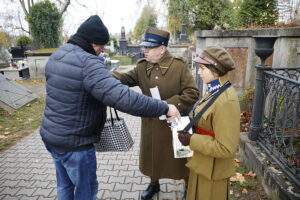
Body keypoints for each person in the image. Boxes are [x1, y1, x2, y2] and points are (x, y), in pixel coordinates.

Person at [40, 15, 181, 200]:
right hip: (76, 145)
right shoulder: (88, 64)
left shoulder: (59, 54)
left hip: (52, 137)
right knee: (86, 193)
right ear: (93, 43)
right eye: (101, 45)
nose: (102, 49)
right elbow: (124, 98)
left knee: (64, 187)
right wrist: (164, 108)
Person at [113, 27, 199, 200]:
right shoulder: (142, 67)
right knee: (153, 155)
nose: (143, 50)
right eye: (144, 46)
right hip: (152, 123)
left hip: (176, 121)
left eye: (149, 47)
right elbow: (123, 79)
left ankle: (188, 187)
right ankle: (154, 183)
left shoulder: (179, 66)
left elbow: (192, 92)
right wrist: (100, 75)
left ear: (162, 48)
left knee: (183, 158)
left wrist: (168, 106)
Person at [177, 46, 241, 200]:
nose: (199, 72)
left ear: (216, 70)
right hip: (202, 163)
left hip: (213, 173)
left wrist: (191, 140)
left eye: (202, 68)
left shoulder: (226, 100)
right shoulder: (214, 90)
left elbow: (226, 148)